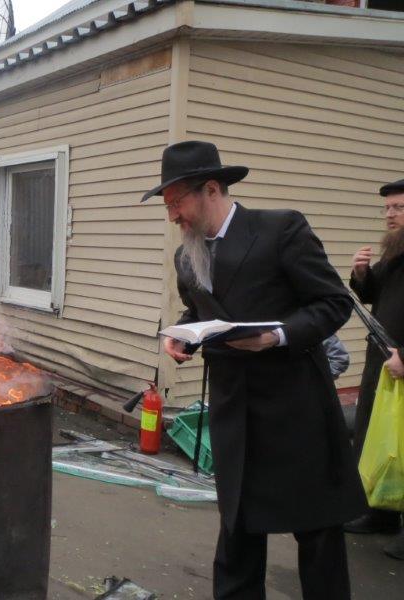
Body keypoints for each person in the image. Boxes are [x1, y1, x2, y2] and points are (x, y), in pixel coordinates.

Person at [147, 141, 366, 598]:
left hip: (296, 409)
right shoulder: (186, 257)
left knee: (318, 532)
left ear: (211, 189)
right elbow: (198, 311)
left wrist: (276, 336)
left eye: (176, 203)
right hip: (235, 412)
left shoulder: (281, 229)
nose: (173, 217)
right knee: (238, 532)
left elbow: (333, 303)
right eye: (167, 207)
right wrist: (181, 337)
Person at [345, 178, 404, 560]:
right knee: (373, 439)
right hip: (382, 362)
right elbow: (372, 296)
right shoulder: (396, 252)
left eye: (398, 207)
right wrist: (361, 273)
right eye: (387, 208)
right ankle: (379, 513)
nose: (389, 215)